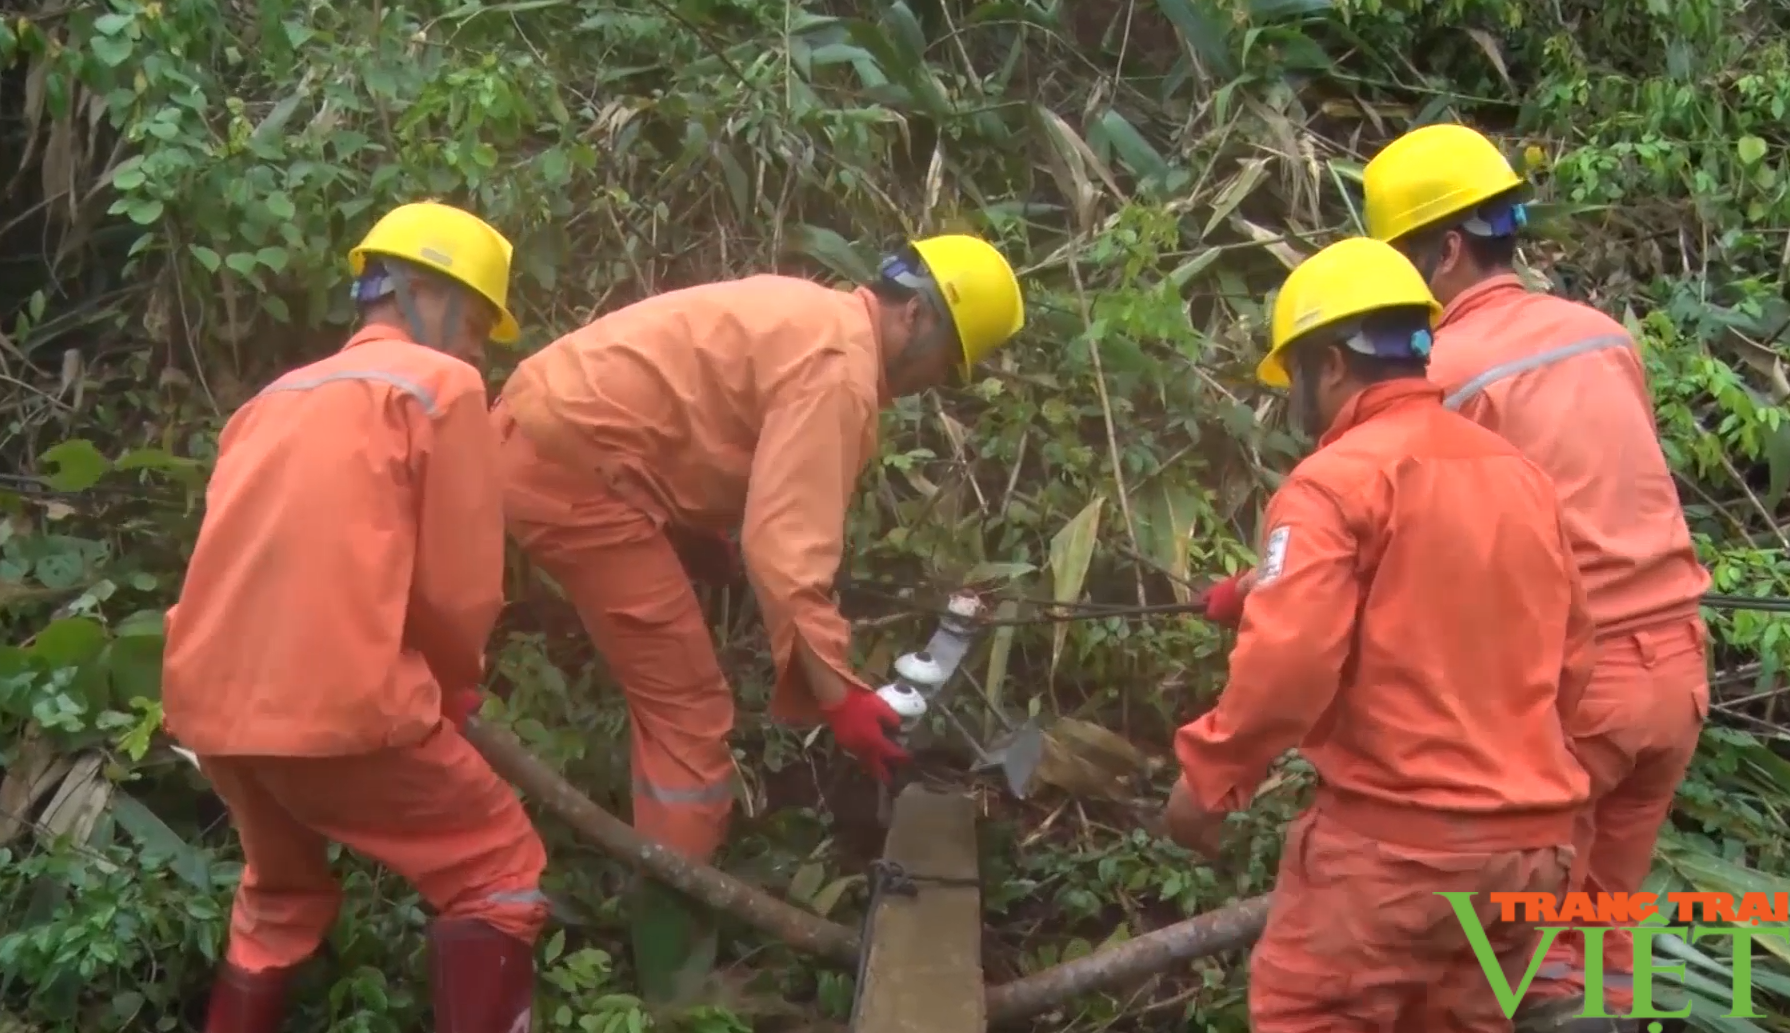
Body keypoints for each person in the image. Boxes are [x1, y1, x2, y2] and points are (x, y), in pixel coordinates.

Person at [489, 235, 1025, 1000]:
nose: (935, 383)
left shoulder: (813, 314)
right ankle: (672, 978)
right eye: (947, 363)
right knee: (689, 718)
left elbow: (698, 411)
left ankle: (665, 913)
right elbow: (786, 551)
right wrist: (840, 695)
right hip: (573, 476)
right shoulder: (840, 373)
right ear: (917, 316)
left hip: (539, 429)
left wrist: (697, 529)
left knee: (680, 693)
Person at [1164, 237, 1595, 1032]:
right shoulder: (1517, 474)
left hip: (1394, 857)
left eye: (1294, 374)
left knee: (1311, 1013)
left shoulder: (1334, 481)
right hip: (1529, 851)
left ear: (1329, 365)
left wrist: (1211, 776)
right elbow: (1572, 653)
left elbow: (1289, 663)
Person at [161, 201, 547, 1033]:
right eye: (477, 319)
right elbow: (458, 589)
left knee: (279, 895)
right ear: (421, 295)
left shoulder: (271, 398)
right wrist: (451, 690)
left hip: (214, 712)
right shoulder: (445, 387)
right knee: (498, 870)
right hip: (342, 705)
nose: (480, 343)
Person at [1361, 122, 1711, 1028]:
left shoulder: (1446, 372)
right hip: (1675, 676)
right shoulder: (1600, 335)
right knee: (1597, 937)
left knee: (1495, 954)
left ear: (1442, 250)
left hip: (1574, 691)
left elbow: (1420, 546)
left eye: (1398, 261)